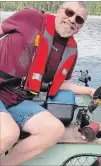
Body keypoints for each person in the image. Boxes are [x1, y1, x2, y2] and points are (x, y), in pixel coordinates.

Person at [0, 1, 95, 165]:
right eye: (69, 12)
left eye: (79, 19)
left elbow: (58, 85)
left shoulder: (71, 51)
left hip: (16, 99)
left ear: (80, 27)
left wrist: (89, 91)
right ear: (59, 11)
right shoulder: (30, 17)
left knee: (54, 129)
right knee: (9, 132)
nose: (72, 20)